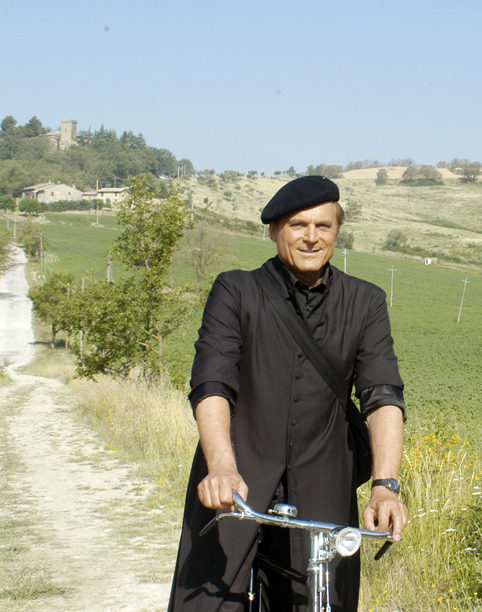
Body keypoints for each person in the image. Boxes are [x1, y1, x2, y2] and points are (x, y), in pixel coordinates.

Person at [168, 175, 408, 611]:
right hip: (237, 480)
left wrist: (385, 486)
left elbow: (383, 395)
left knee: (321, 601)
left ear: (337, 231)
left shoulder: (365, 302)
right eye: (298, 226)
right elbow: (212, 382)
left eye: (324, 226)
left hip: (323, 482)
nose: (312, 238)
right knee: (207, 600)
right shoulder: (236, 291)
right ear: (275, 230)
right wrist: (221, 464)